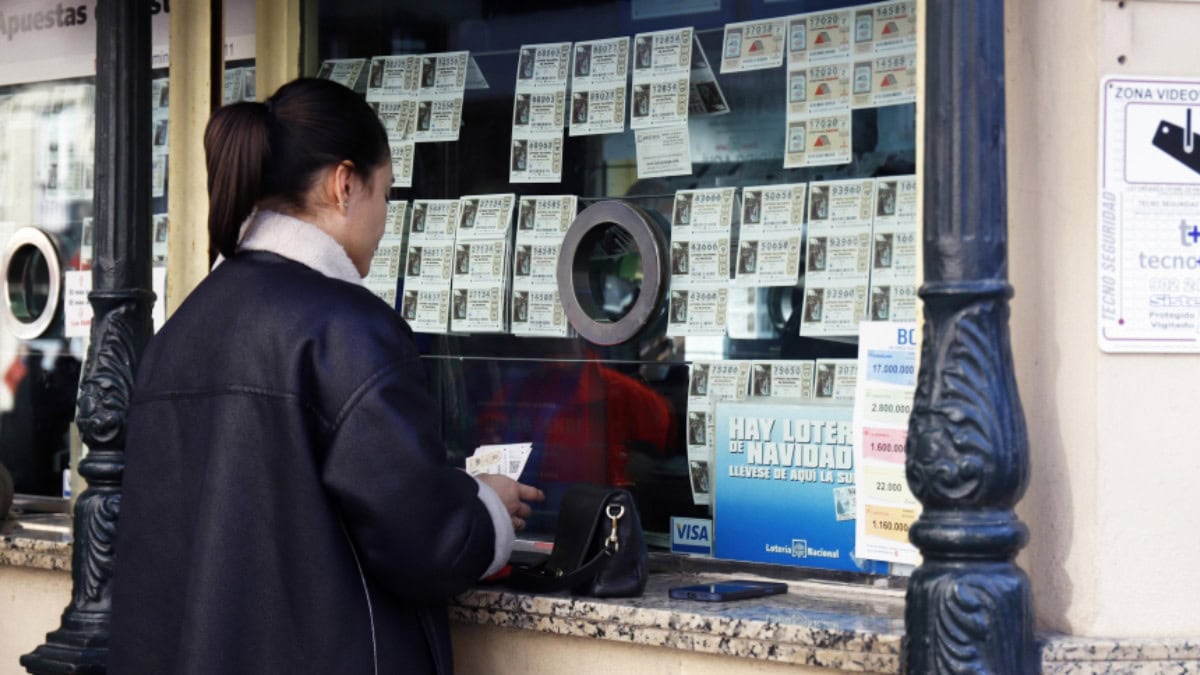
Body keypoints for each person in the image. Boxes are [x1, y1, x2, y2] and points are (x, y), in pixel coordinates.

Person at [109, 78, 543, 675]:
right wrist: (486, 507)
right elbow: (424, 541)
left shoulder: (177, 333)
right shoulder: (348, 329)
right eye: (385, 195)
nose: (385, 222)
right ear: (344, 185)